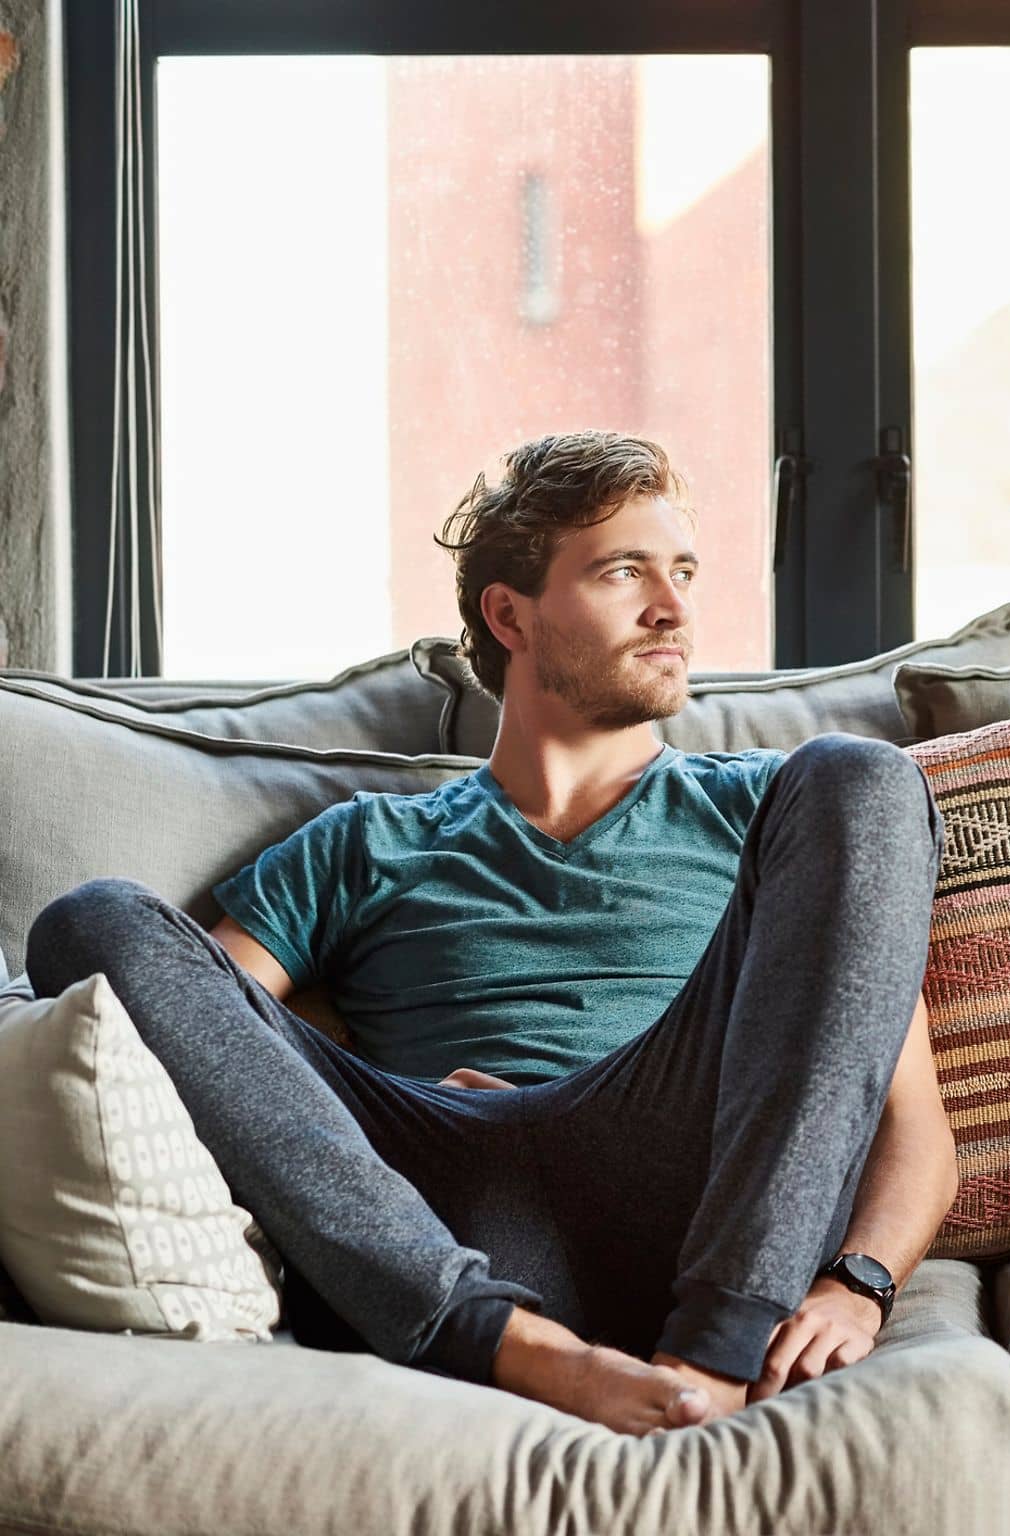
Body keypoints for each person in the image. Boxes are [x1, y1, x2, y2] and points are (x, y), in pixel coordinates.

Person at [23, 430, 957, 1437]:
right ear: (509, 613)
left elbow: (908, 1121)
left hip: (678, 1166)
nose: (674, 607)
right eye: (622, 572)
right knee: (96, 923)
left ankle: (709, 1359)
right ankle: (504, 1344)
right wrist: (407, 1096)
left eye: (682, 570)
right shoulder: (365, 841)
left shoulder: (762, 815)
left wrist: (857, 1283)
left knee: (862, 776)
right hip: (437, 1187)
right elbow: (216, 1044)